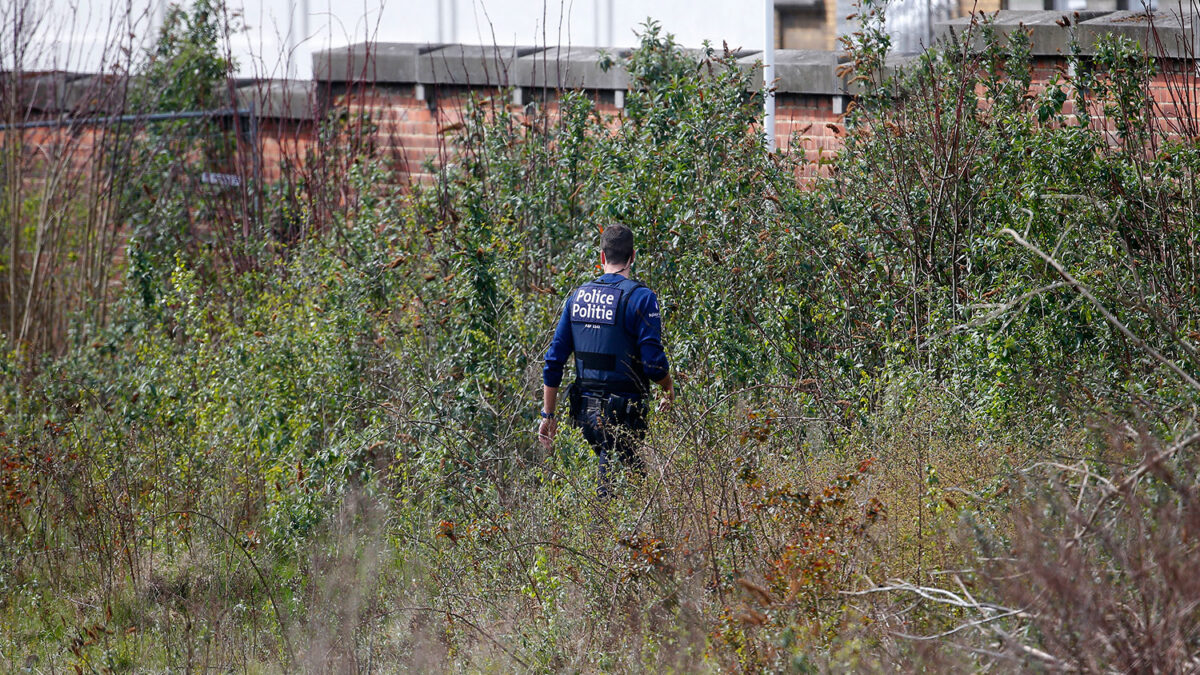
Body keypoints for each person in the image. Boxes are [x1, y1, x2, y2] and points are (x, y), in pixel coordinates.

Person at [538, 223, 674, 497]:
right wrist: (668, 387)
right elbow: (653, 364)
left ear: (602, 257)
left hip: (584, 412)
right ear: (632, 256)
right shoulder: (641, 298)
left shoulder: (577, 297)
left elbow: (553, 361)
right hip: (626, 411)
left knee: (626, 473)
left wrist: (548, 415)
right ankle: (617, 526)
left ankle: (627, 524)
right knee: (619, 482)